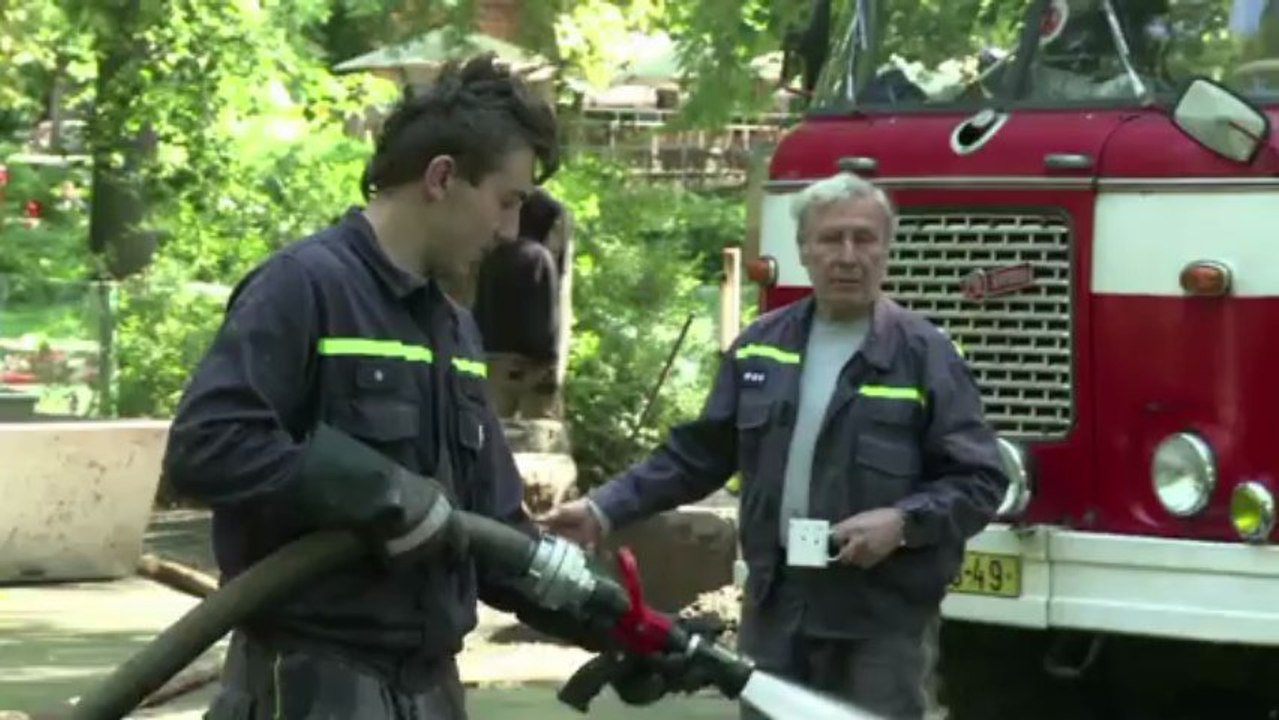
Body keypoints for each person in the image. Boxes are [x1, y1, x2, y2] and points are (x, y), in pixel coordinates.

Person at [161, 55, 692, 720]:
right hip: (309, 687)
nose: (509, 232)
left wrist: (623, 626)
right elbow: (207, 448)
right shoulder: (304, 288)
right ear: (442, 177)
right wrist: (374, 491)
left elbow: (495, 536)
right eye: (507, 202)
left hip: (429, 690)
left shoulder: (453, 327)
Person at [541, 171, 1010, 720]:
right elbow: (697, 455)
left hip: (879, 620)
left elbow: (980, 480)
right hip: (776, 608)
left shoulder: (926, 356)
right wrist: (602, 509)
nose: (848, 255)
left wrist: (902, 523)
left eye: (864, 238)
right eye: (831, 239)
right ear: (804, 250)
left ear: (887, 250)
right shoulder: (761, 349)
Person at [472, 188, 564, 419]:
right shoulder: (539, 257)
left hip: (490, 357)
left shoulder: (492, 254)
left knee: (492, 425)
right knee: (537, 431)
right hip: (529, 363)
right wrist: (548, 359)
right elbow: (545, 313)